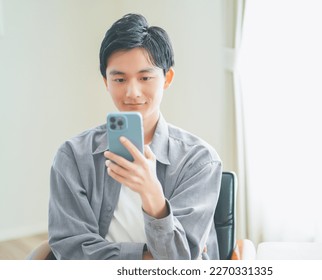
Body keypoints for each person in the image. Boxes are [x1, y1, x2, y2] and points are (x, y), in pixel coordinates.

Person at [48, 13, 222, 260]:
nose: (132, 91)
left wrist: (151, 193)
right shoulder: (73, 156)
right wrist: (147, 260)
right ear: (106, 82)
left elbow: (181, 264)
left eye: (145, 77)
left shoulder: (199, 160)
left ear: (167, 78)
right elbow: (71, 248)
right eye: (119, 79)